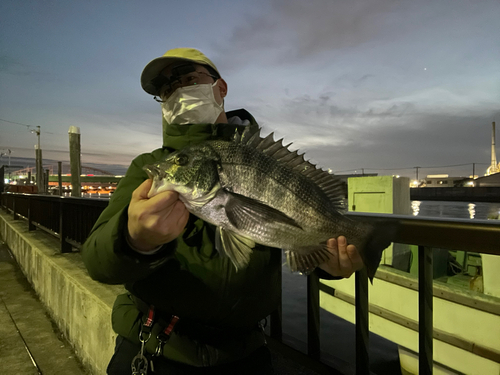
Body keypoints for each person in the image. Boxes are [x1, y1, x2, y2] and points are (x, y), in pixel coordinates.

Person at [82, 47, 364, 375]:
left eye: (189, 79)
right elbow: (96, 260)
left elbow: (289, 230)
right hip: (156, 349)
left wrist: (329, 261)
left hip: (247, 354)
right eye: (166, 89)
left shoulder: (263, 160)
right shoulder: (148, 167)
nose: (177, 90)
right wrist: (134, 239)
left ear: (221, 88)